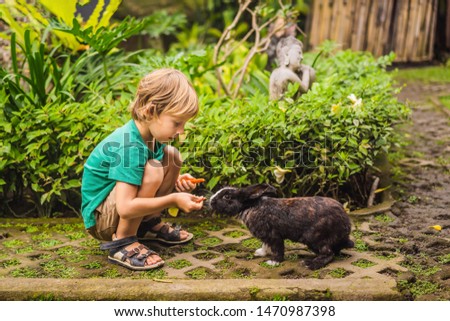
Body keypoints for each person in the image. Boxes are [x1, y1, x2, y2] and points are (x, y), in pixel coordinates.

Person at [81, 68, 205, 271]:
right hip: (100, 219)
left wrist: (176, 182)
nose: (181, 131)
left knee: (172, 156)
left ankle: (147, 224)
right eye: (177, 123)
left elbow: (139, 178)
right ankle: (123, 241)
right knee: (154, 169)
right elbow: (125, 207)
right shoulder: (130, 146)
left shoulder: (150, 137)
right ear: (151, 111)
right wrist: (174, 199)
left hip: (117, 207)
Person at [269, 36, 316, 100]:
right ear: (286, 54)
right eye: (299, 53)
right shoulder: (287, 73)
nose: (301, 57)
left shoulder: (275, 72)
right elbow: (304, 89)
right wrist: (306, 71)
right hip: (283, 108)